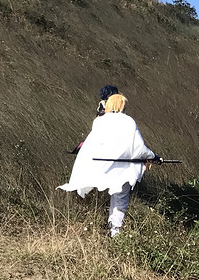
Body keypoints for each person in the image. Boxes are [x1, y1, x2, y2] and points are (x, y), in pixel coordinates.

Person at [59, 93, 159, 237]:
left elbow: (93, 143)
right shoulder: (128, 121)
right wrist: (153, 156)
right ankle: (115, 231)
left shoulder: (100, 121)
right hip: (122, 169)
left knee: (116, 197)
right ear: (123, 106)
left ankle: (109, 227)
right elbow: (138, 148)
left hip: (102, 165)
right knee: (120, 199)